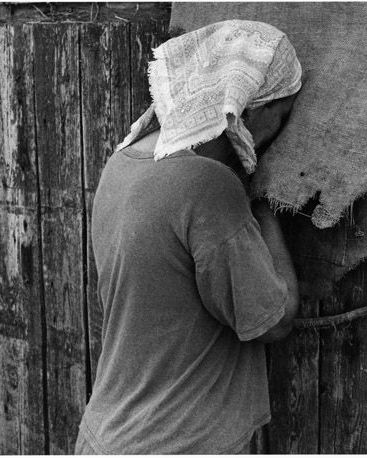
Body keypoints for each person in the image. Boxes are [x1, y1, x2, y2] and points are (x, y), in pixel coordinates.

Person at [74, 20, 302, 454]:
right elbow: (275, 319)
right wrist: (264, 204)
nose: (286, 127)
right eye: (285, 112)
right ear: (249, 110)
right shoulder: (208, 186)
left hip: (105, 436)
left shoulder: (122, 162)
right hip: (176, 442)